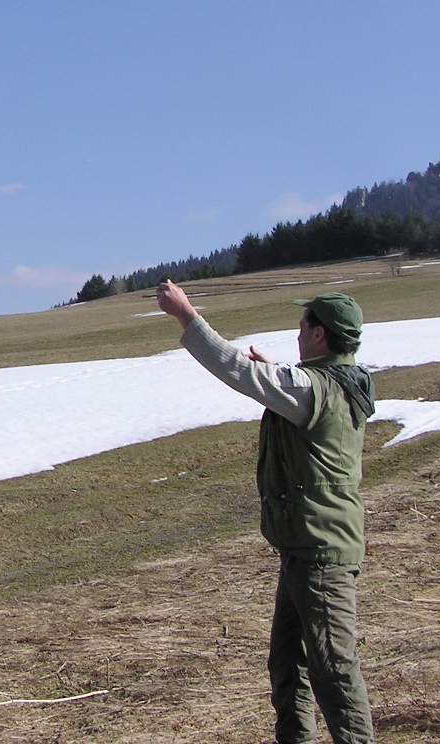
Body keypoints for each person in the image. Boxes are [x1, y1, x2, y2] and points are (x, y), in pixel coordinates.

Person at [156, 281, 376, 744]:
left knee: (333, 671)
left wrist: (186, 315)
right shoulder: (339, 383)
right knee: (287, 663)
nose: (297, 333)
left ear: (320, 336)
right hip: (306, 549)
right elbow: (296, 390)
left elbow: (236, 370)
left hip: (320, 554)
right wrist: (274, 374)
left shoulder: (312, 389)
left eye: (303, 325)